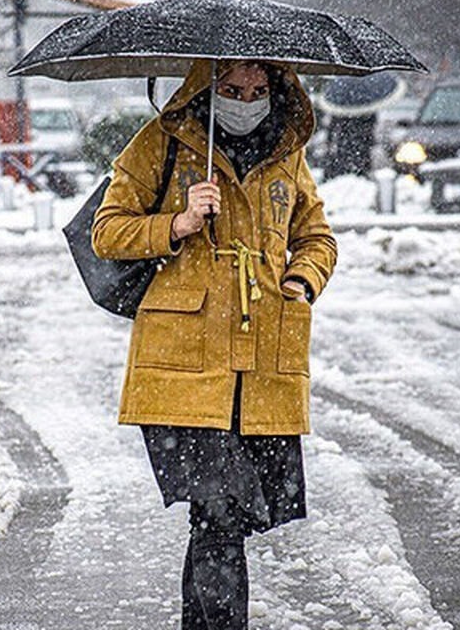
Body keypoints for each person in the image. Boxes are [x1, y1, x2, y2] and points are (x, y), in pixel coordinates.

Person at [91, 59, 337, 629]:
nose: (245, 101)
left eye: (256, 90)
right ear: (207, 87)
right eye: (230, 89)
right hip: (184, 369)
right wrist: (176, 224)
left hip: (261, 372)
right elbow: (107, 231)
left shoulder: (286, 155)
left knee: (221, 518)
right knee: (221, 513)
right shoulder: (164, 143)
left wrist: (301, 281)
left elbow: (317, 237)